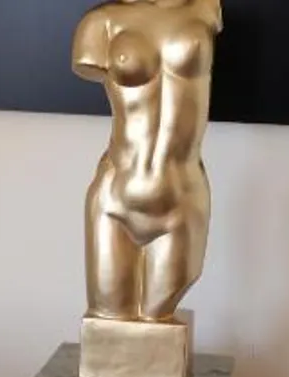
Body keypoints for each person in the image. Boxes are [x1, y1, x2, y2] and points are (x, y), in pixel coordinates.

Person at [72, 0, 222, 322]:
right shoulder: (100, 23)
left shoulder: (206, 7)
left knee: (159, 321)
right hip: (116, 199)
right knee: (109, 326)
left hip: (182, 198)